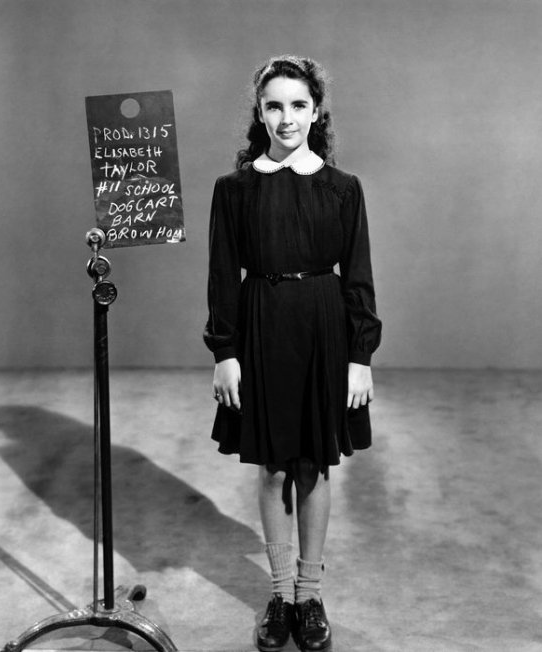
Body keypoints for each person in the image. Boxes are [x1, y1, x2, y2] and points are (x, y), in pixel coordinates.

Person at [203, 55, 382, 652]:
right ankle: (279, 595)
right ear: (259, 112)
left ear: (316, 111)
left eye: (298, 105)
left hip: (323, 329)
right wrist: (224, 351)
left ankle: (310, 597)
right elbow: (223, 276)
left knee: (313, 463)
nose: (286, 117)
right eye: (274, 105)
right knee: (272, 464)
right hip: (261, 327)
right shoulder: (235, 191)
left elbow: (358, 277)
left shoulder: (341, 189)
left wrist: (361, 357)